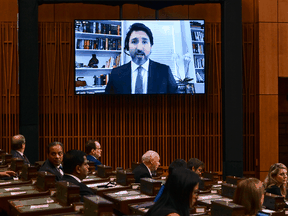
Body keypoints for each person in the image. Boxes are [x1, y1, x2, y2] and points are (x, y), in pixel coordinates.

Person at [105, 22, 178, 94]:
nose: (139, 48)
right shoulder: (115, 74)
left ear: (151, 46)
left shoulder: (165, 72)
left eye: (144, 42)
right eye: (134, 41)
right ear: (127, 46)